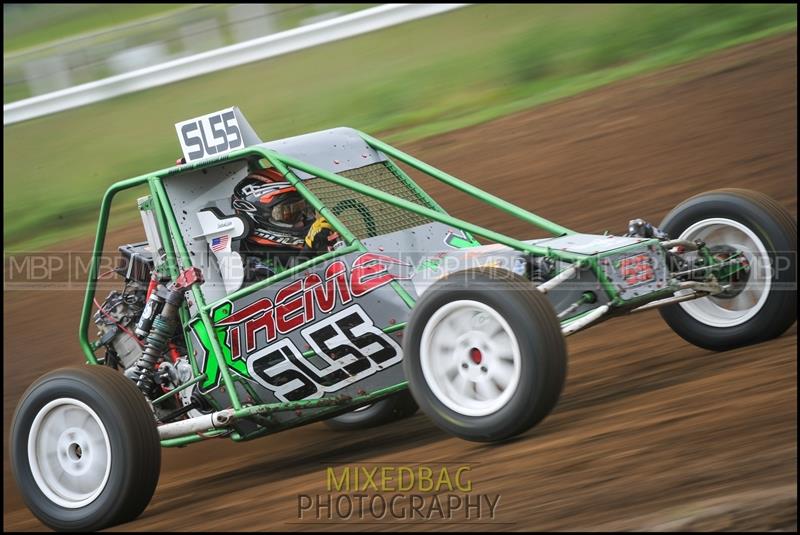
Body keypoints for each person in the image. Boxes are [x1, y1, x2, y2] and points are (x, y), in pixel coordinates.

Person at [231, 167, 342, 282]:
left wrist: (325, 252)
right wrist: (308, 253)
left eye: (304, 209)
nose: (302, 222)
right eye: (289, 214)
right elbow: (295, 293)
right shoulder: (253, 271)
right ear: (256, 218)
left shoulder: (290, 252)